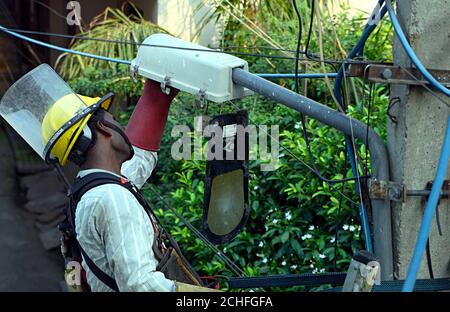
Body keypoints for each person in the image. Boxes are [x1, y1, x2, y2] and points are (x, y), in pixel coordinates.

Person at [0, 64, 217, 292]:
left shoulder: (90, 191)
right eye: (114, 119)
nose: (121, 126)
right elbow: (139, 285)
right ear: (104, 128)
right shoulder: (112, 198)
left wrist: (157, 97)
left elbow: (137, 166)